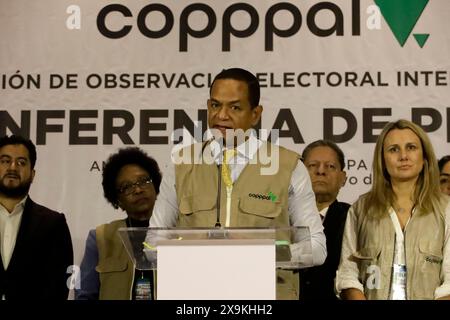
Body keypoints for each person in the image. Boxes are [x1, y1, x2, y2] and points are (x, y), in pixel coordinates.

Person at [150, 67, 326, 299]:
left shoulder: (288, 166)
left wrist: (262, 252)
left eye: (234, 107)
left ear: (255, 114)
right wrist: (194, 251)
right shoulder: (181, 164)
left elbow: (316, 247)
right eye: (215, 105)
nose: (221, 116)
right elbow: (152, 242)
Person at [336, 119, 450, 300]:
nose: (403, 156)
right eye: (393, 149)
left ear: (425, 156)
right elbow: (348, 274)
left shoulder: (446, 209)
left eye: (411, 147)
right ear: (382, 159)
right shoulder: (361, 209)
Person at [75, 147, 161, 300]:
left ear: (156, 187)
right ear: (118, 201)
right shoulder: (100, 238)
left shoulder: (178, 234)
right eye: (127, 187)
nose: (138, 190)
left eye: (143, 181)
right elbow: (84, 295)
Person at [0, 135, 73, 300]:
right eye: (5, 161)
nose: (12, 167)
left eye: (21, 162)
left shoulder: (54, 224)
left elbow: (61, 283)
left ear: (32, 174)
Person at [299, 140, 349, 300]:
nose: (321, 171)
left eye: (330, 166)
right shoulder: (278, 217)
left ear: (343, 178)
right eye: (313, 165)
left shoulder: (354, 218)